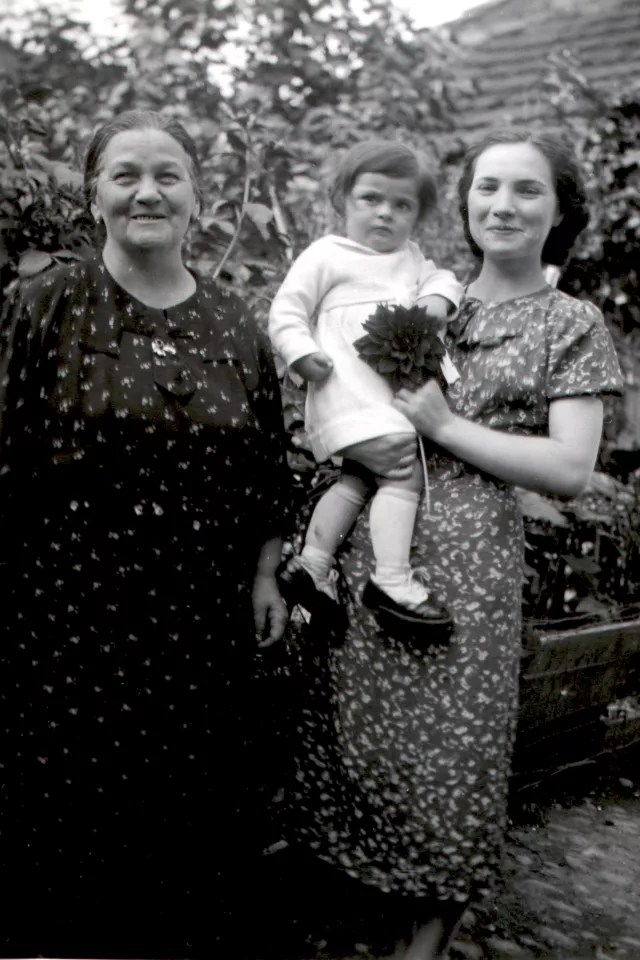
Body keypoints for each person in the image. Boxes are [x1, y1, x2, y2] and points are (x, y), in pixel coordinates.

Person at [284, 128, 624, 960]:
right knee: (360, 734)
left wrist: (444, 425)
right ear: (464, 203)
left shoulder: (570, 321)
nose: (503, 205)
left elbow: (569, 469)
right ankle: (364, 908)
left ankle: (430, 935)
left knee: (457, 749)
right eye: (487, 187)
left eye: (527, 190)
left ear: (560, 211)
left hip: (470, 562)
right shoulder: (415, 292)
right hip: (372, 543)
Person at [0, 110, 290, 957]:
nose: (147, 192)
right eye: (125, 175)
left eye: (169, 175)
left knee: (184, 827)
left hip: (199, 631)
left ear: (198, 197)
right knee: (64, 819)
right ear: (94, 197)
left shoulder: (237, 324)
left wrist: (265, 574)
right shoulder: (42, 305)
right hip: (65, 625)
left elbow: (267, 464)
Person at [269, 140, 463, 631]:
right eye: (371, 199)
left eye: (402, 205)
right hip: (350, 393)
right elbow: (287, 309)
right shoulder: (327, 255)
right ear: (343, 201)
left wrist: (437, 298)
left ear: (417, 216)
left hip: (384, 400)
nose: (385, 213)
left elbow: (444, 278)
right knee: (403, 474)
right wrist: (300, 352)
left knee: (356, 479)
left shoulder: (411, 258)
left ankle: (311, 564)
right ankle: (392, 579)